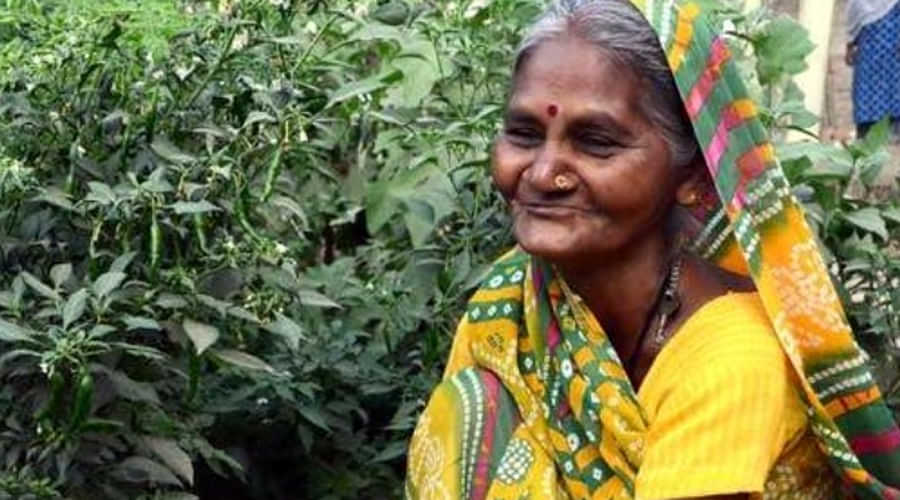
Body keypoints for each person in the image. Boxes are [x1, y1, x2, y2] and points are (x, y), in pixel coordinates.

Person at [406, 0, 900, 498]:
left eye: (596, 142)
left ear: (693, 175)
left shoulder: (731, 359)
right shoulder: (515, 297)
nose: (542, 173)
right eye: (524, 134)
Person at [846, 0, 900, 138]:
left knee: (889, 83)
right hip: (872, 44)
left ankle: (883, 127)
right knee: (870, 84)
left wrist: (850, 43)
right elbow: (854, 10)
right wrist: (850, 43)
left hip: (889, 41)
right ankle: (870, 129)